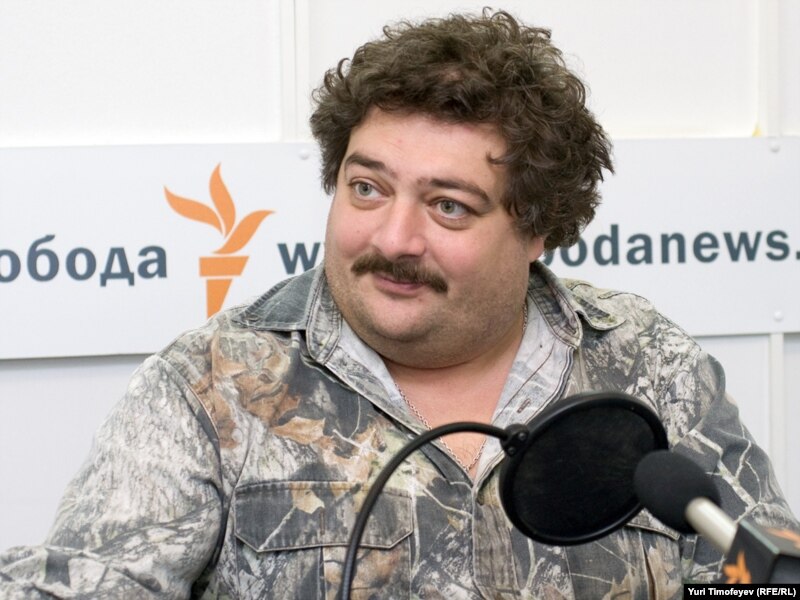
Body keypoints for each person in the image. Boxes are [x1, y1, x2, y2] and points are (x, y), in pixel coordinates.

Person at [0, 9, 796, 599]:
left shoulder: (652, 364)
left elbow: (757, 571)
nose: (393, 237)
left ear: (538, 229)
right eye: (367, 188)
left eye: (448, 206)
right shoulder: (211, 386)